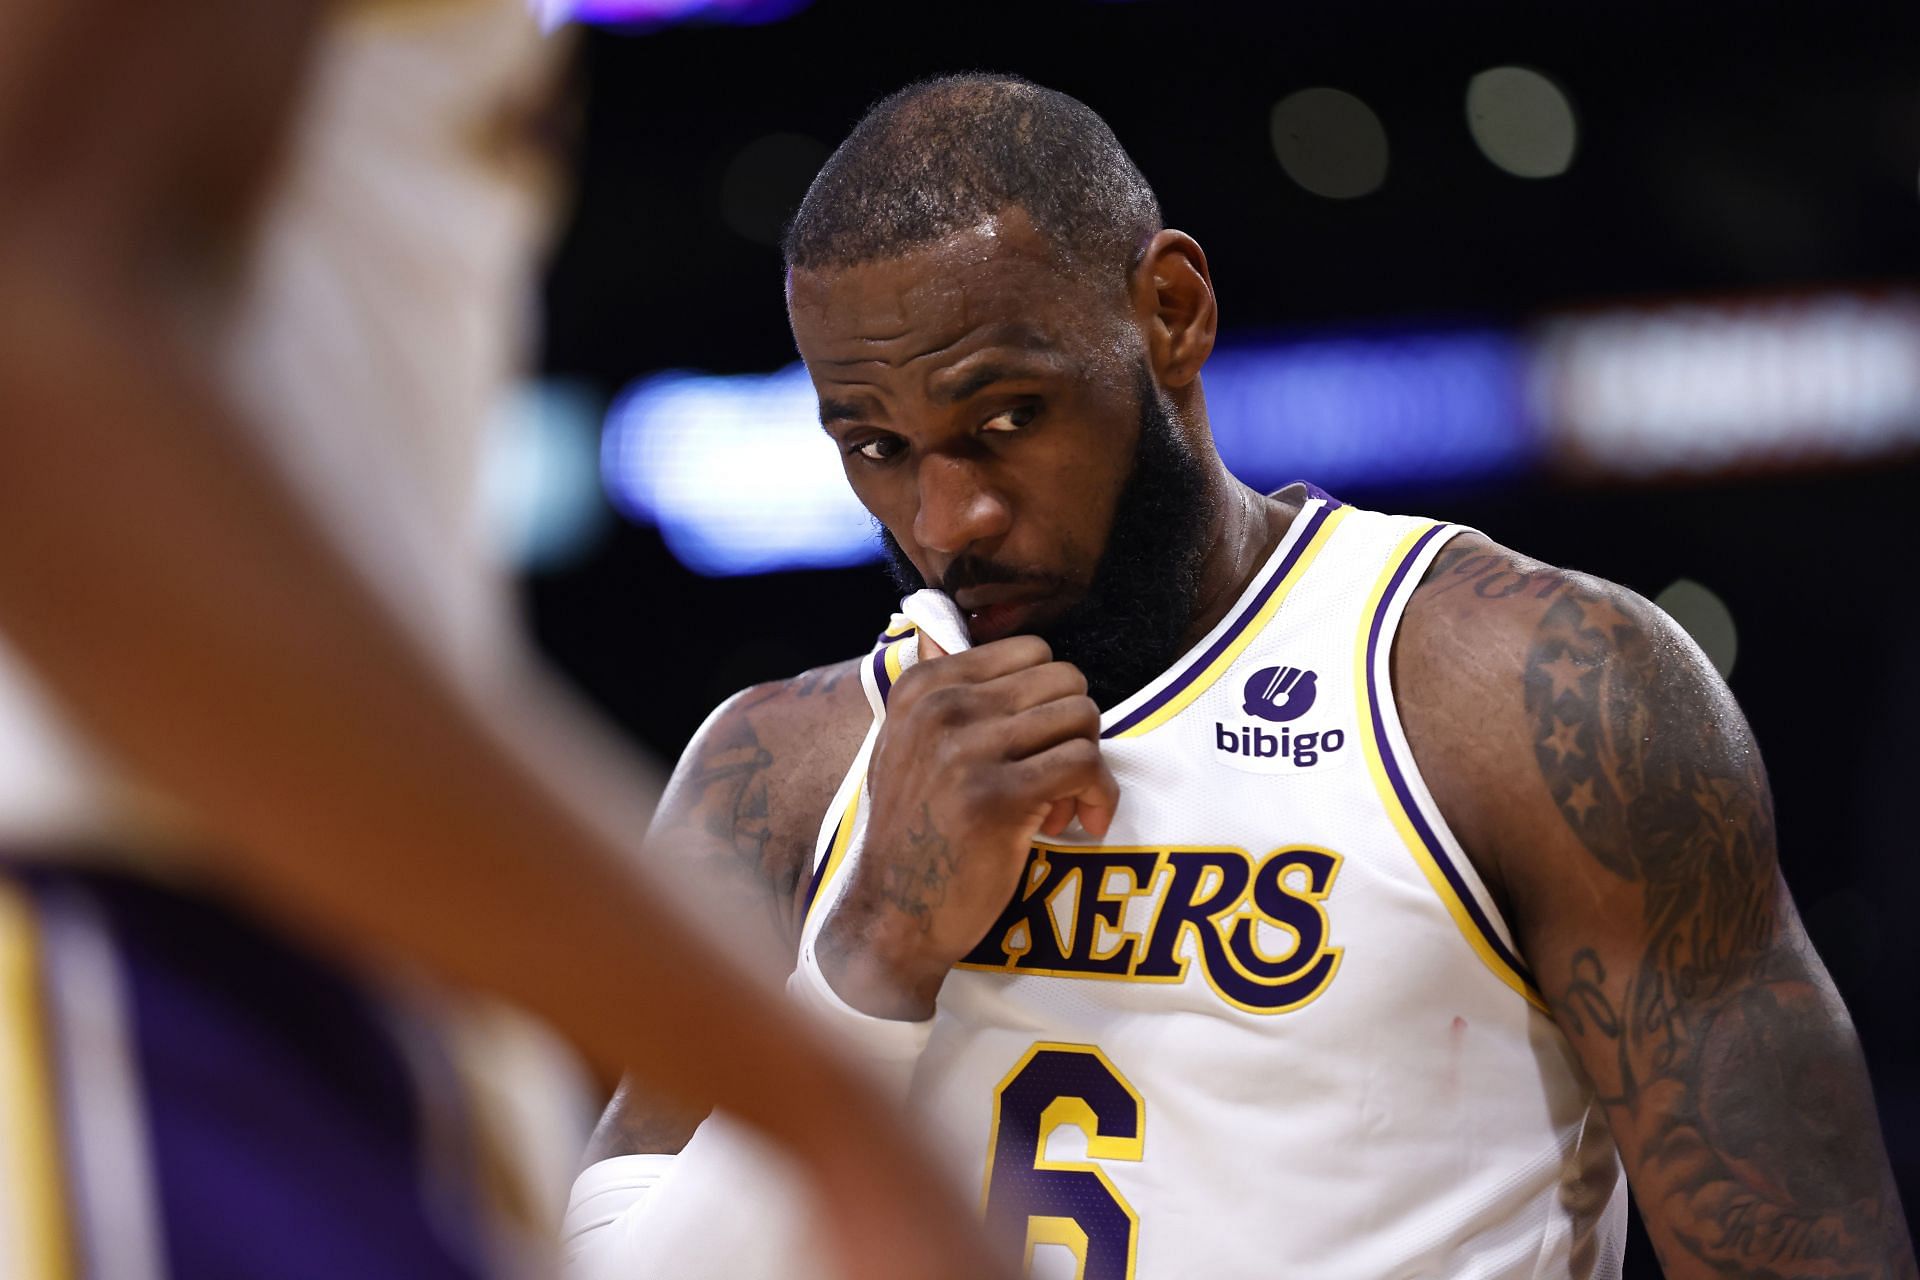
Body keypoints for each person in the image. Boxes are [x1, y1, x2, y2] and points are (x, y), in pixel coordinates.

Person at [566, 74, 1918, 1279]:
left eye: (1004, 420)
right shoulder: (785, 774)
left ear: (1170, 312)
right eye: (874, 445)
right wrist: (870, 954)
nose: (945, 520)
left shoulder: (1523, 693)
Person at [0, 6, 1013, 1279]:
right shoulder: (786, 744)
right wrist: (821, 1091)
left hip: (327, 974)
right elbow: (42, 366)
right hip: (142, 965)